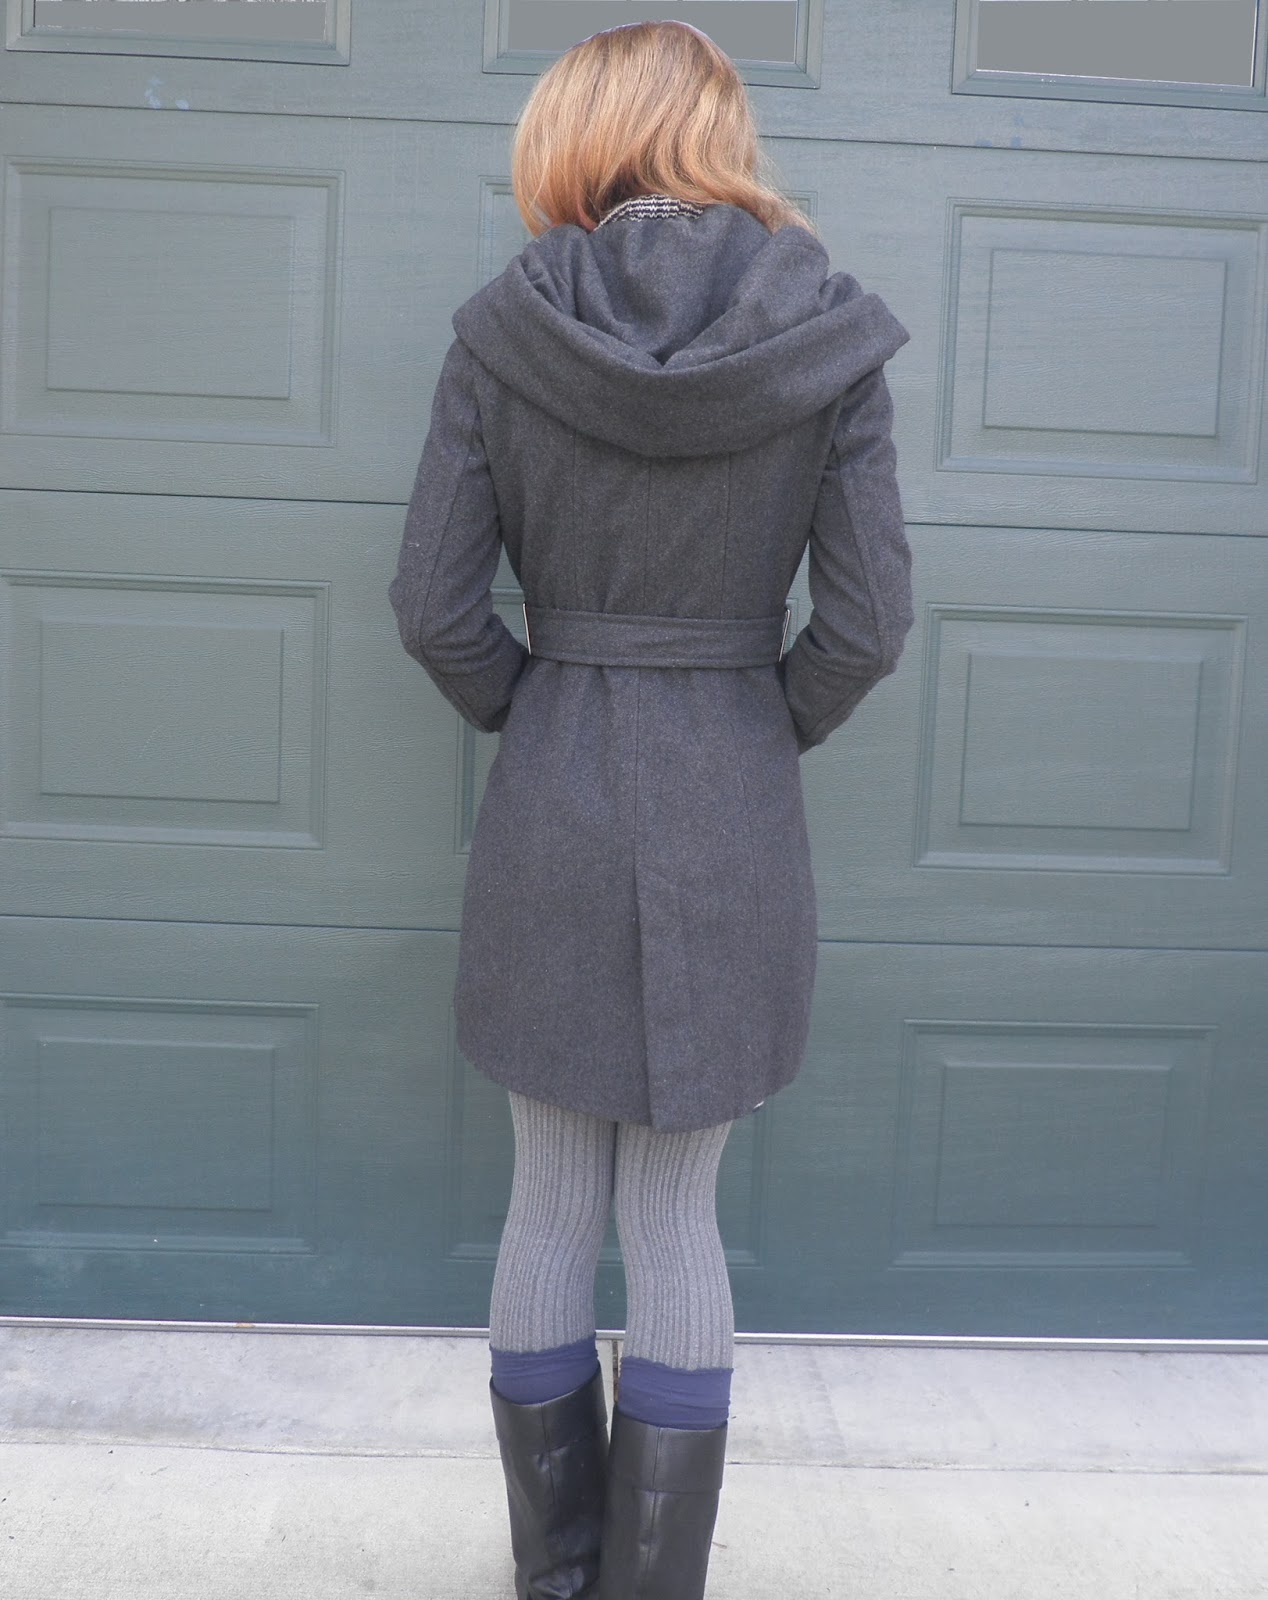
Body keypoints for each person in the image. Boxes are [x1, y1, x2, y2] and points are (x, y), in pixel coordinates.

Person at [387, 19, 914, 1598]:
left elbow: (433, 606)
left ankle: (553, 1577)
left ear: (578, 131)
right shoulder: (827, 332)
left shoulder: (508, 329)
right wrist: (754, 723)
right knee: (676, 1211)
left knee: (553, 1200)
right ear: (720, 130)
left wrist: (539, 705)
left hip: (556, 790)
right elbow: (868, 624)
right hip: (730, 792)